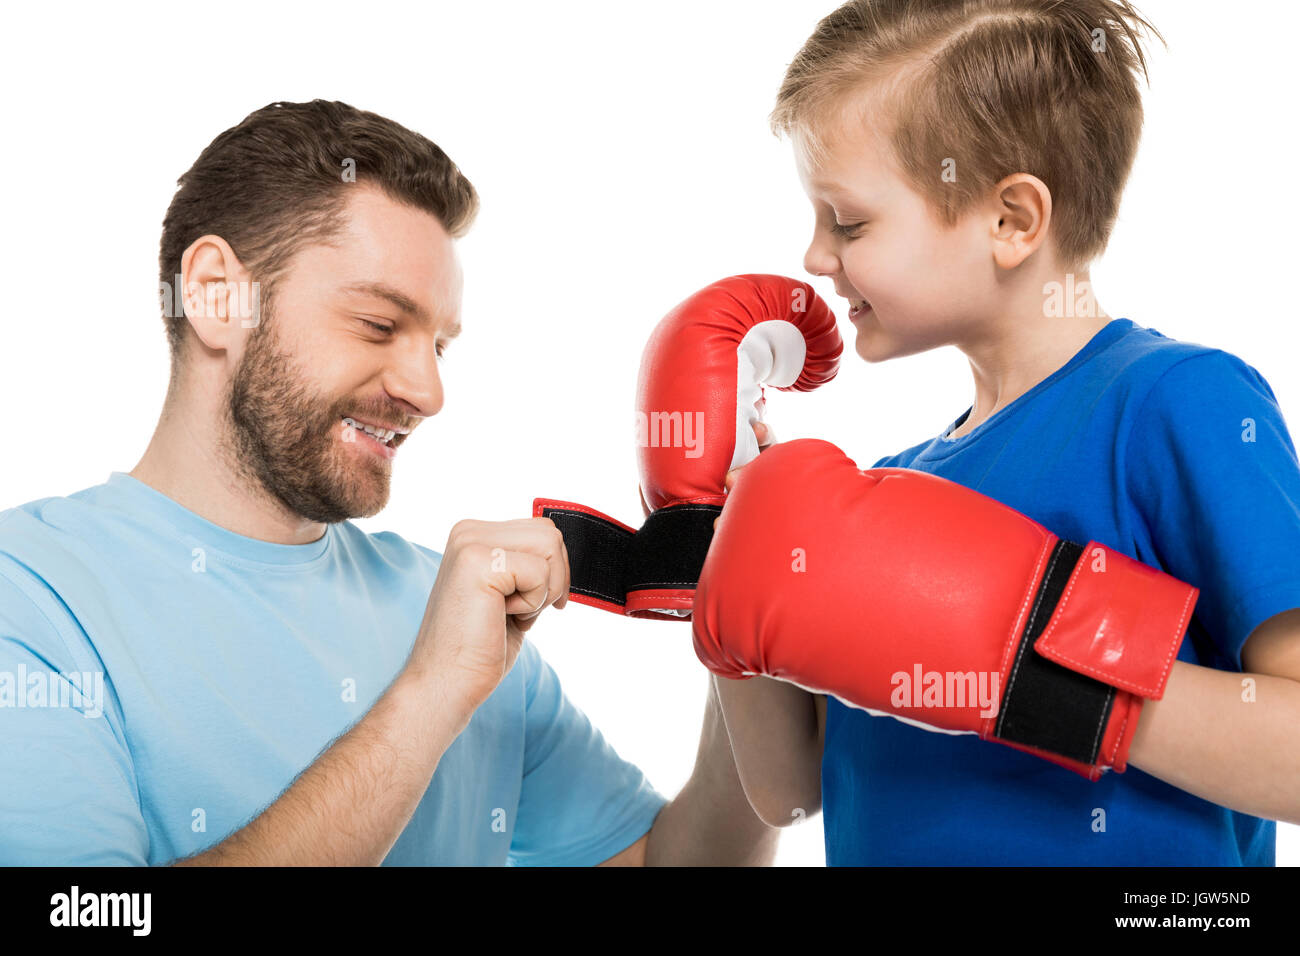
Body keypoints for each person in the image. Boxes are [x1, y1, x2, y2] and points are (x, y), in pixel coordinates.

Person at [0, 99, 775, 866]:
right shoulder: (31, 599)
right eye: (379, 325)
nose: (428, 392)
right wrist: (428, 698)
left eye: (441, 345)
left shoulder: (448, 609)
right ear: (213, 294)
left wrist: (755, 630)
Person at [710, 0, 1300, 865]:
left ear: (1013, 220)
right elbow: (789, 787)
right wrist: (728, 527)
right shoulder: (885, 492)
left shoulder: (1172, 402)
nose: (815, 256)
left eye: (849, 222)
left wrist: (1039, 674)